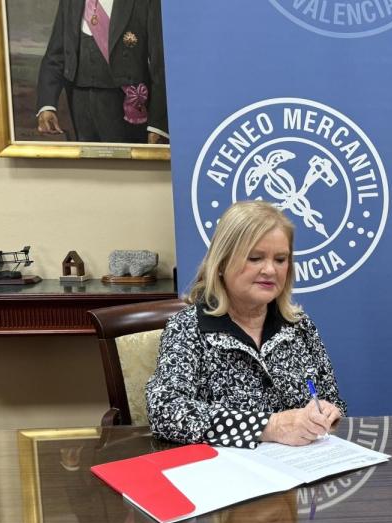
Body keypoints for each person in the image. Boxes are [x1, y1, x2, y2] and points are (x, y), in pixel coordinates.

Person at [146, 201, 346, 448]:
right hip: (226, 476)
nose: (271, 270)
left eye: (281, 259)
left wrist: (326, 412)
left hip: (303, 471)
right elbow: (165, 411)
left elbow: (332, 400)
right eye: (255, 258)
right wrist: (268, 426)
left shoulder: (300, 326)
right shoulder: (188, 327)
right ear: (221, 263)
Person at [36, 0, 168, 144]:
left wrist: (158, 125)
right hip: (78, 102)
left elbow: (160, 65)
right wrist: (47, 105)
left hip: (123, 106)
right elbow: (56, 55)